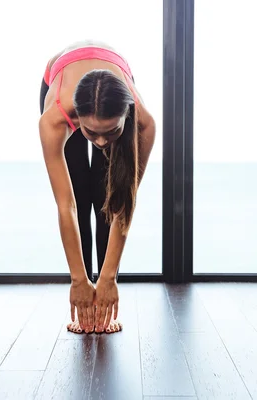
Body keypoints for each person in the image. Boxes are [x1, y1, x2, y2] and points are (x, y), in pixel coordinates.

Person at [38, 41, 156, 334]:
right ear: (79, 120)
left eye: (110, 133)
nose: (101, 143)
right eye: (92, 133)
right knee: (79, 192)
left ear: (125, 117)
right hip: (60, 77)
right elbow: (65, 205)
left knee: (109, 195)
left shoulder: (143, 124)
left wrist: (109, 278)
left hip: (113, 81)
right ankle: (85, 296)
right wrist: (77, 280)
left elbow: (124, 204)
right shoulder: (53, 119)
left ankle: (102, 293)